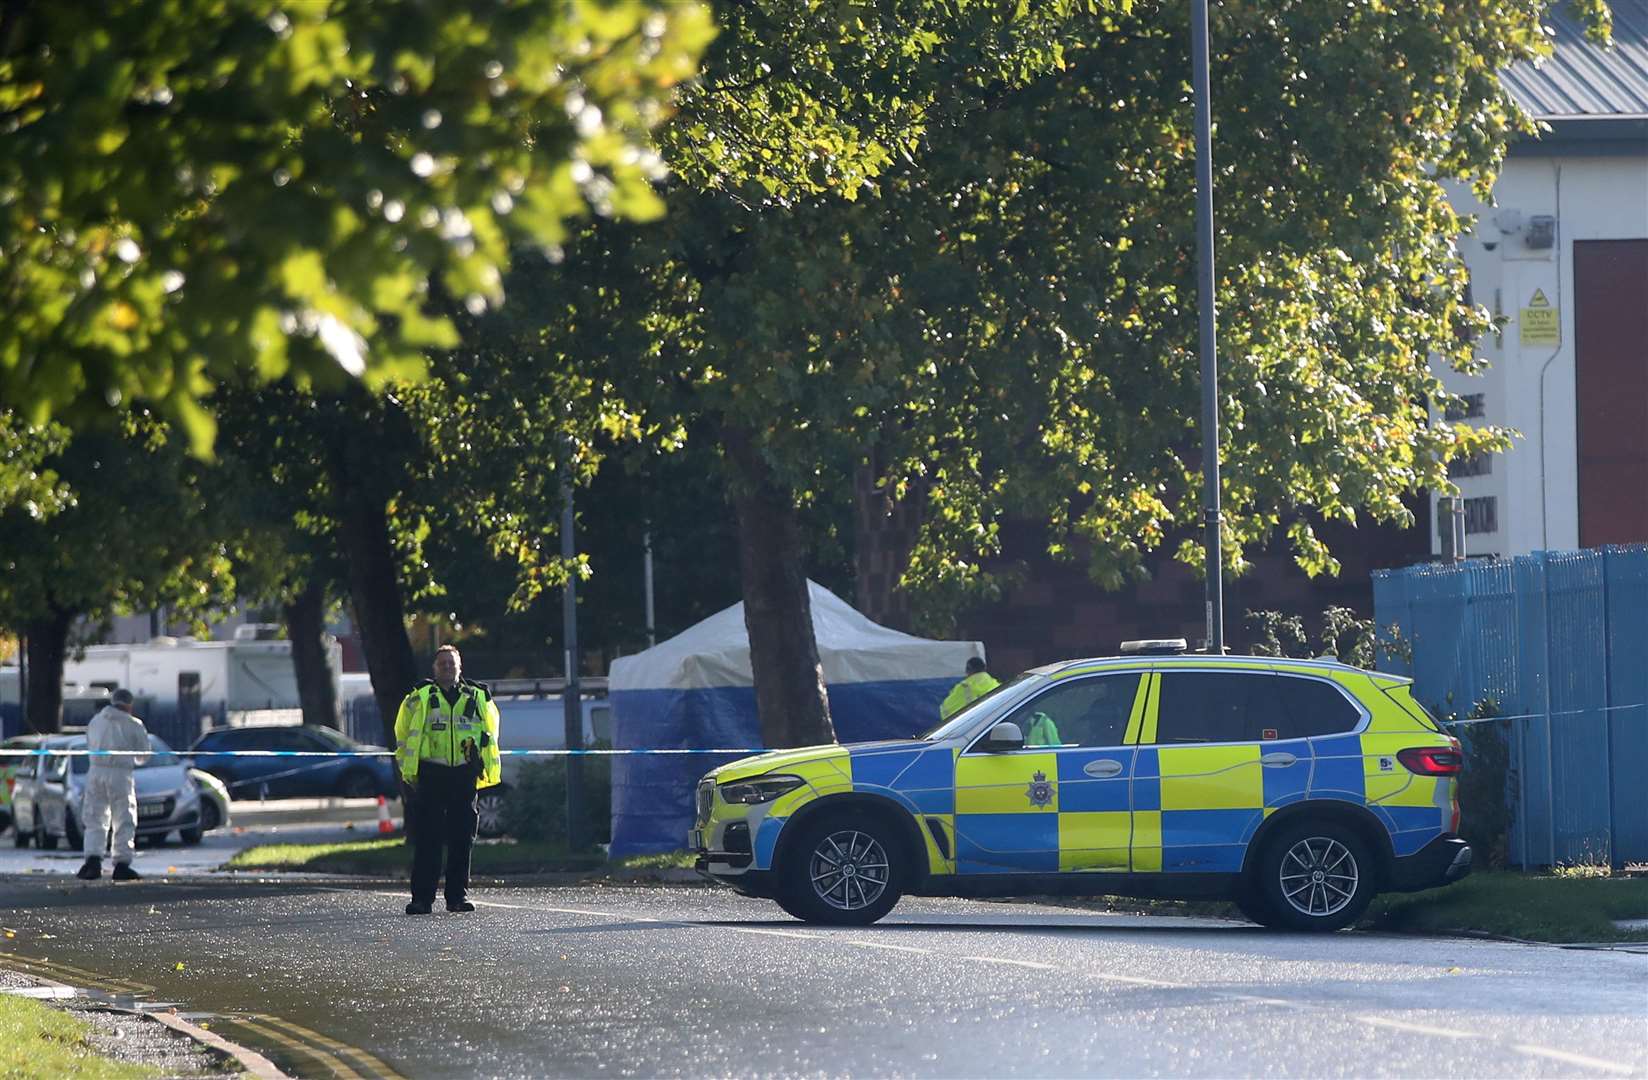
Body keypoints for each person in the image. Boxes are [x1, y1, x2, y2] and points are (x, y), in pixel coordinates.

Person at [395, 645, 501, 915]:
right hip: (431, 774)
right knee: (428, 838)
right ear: (434, 668)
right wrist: (409, 770)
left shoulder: (478, 696)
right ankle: (422, 899)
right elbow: (403, 733)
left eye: (452, 663)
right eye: (442, 663)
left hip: (464, 774)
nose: (447, 668)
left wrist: (482, 767)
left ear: (460, 667)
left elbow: (491, 732)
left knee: (462, 837)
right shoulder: (419, 697)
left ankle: (457, 897)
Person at [76, 689, 149, 881]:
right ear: (129, 705)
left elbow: (88, 745)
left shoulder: (95, 721)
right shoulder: (134, 724)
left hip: (95, 772)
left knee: (94, 817)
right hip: (120, 774)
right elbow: (143, 757)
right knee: (124, 818)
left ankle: (92, 861)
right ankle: (122, 864)